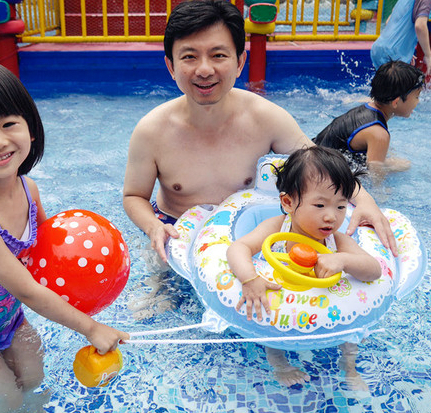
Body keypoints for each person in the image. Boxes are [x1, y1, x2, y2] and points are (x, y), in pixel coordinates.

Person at [123, 0, 398, 267]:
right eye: (189, 57)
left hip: (244, 235)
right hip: (175, 230)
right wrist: (153, 227)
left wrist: (366, 201)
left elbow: (320, 166)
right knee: (156, 303)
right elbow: (134, 196)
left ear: (240, 61)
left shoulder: (266, 118)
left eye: (218, 55)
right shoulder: (151, 131)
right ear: (171, 66)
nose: (204, 69)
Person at [0, 61, 129, 412]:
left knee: (34, 383)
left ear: (31, 129)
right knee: (7, 398)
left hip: (10, 321)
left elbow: (49, 258)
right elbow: (26, 287)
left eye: (9, 124)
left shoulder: (28, 189)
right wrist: (91, 327)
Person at [226, 146, 382, 388]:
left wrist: (343, 260)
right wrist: (250, 279)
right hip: (283, 300)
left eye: (340, 207)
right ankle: (279, 362)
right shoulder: (277, 228)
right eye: (320, 206)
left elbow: (374, 269)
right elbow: (238, 248)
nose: (331, 216)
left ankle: (349, 367)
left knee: (351, 337)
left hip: (325, 303)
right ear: (288, 202)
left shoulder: (336, 241)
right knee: (271, 318)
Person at [313, 60, 424, 180]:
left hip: (314, 156)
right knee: (403, 165)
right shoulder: (379, 135)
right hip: (319, 173)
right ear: (396, 102)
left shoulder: (369, 106)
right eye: (416, 97)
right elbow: (375, 174)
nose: (418, 101)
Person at [370, 0, 431, 76]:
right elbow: (420, 26)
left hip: (379, 48)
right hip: (394, 55)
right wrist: (428, 56)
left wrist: (404, 49)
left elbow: (388, 22)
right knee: (410, 86)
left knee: (383, 85)